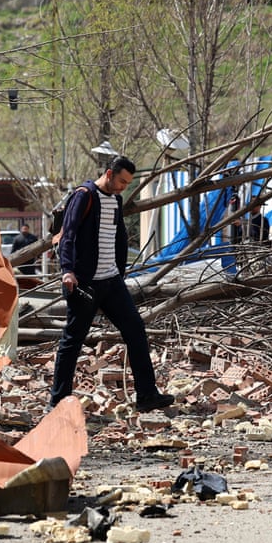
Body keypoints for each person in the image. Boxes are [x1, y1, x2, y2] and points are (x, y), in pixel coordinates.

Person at [49, 156, 175, 413]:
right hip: (84, 282)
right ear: (109, 173)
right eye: (120, 181)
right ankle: (57, 403)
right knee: (73, 340)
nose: (122, 187)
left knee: (136, 330)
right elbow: (69, 234)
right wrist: (68, 271)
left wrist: (120, 270)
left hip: (112, 282)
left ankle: (147, 395)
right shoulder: (84, 196)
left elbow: (117, 236)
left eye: (127, 183)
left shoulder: (115, 200)